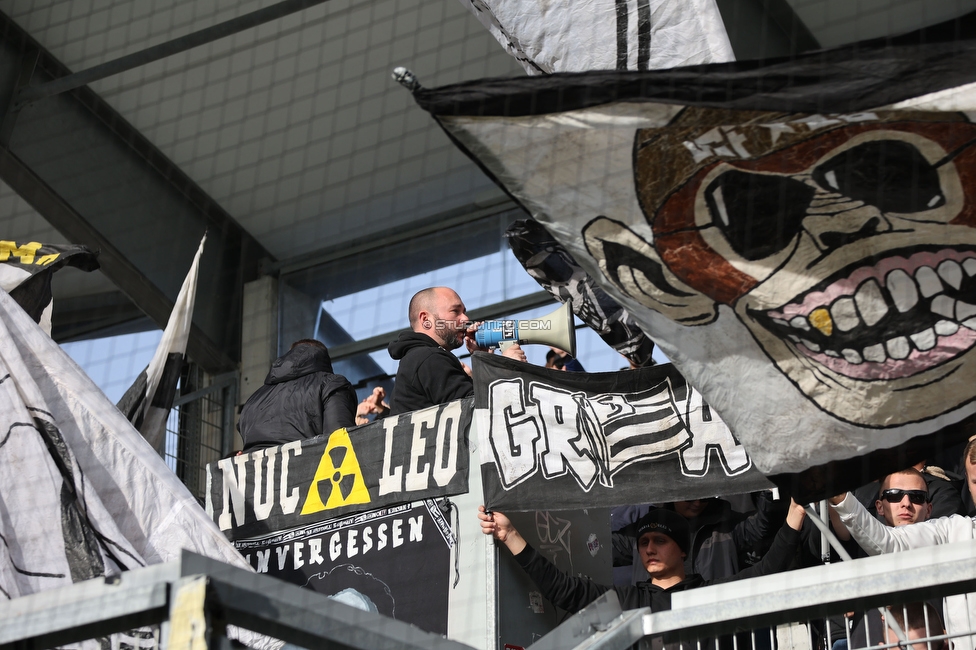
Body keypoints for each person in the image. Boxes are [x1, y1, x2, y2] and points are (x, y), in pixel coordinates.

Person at [478, 500, 806, 614]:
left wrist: (795, 512)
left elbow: (767, 570)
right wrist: (511, 535)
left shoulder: (707, 594)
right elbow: (566, 591)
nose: (648, 548)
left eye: (659, 541)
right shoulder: (630, 599)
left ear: (682, 549)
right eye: (644, 541)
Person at [830, 437, 976, 650]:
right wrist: (839, 494)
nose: (905, 503)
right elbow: (888, 542)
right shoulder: (956, 529)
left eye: (917, 497)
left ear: (929, 507)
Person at [387, 287, 525, 415]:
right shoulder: (428, 358)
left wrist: (483, 359)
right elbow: (477, 413)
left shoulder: (420, 358)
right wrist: (505, 369)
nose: (465, 319)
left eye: (464, 312)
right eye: (455, 311)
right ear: (426, 319)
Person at [238, 339, 357, 452]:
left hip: (253, 472)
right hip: (306, 470)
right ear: (323, 360)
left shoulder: (252, 400)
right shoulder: (330, 383)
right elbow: (340, 442)